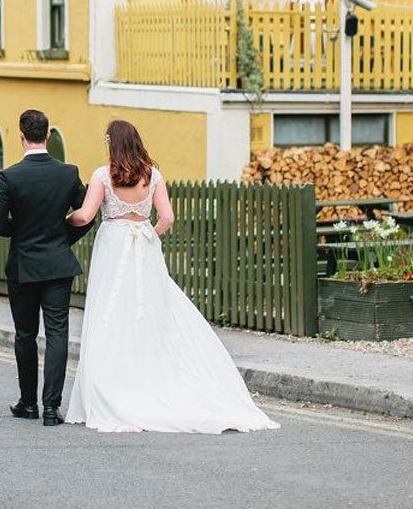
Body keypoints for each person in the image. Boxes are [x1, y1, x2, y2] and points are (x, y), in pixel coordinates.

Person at [64, 119, 279, 434]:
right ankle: (156, 377)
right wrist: (147, 233)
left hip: (113, 246)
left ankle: (113, 381)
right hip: (144, 247)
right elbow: (167, 217)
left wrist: (64, 218)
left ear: (112, 143)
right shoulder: (153, 175)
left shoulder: (102, 175)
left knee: (111, 310)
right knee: (151, 309)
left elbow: (85, 215)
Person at [0, 109, 93, 426]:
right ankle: (51, 408)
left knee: (26, 334)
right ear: (48, 135)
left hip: (23, 264)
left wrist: (21, 232)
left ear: (21, 137)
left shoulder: (10, 176)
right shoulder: (68, 172)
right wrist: (63, 237)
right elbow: (86, 214)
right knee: (58, 334)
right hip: (58, 264)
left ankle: (28, 404)